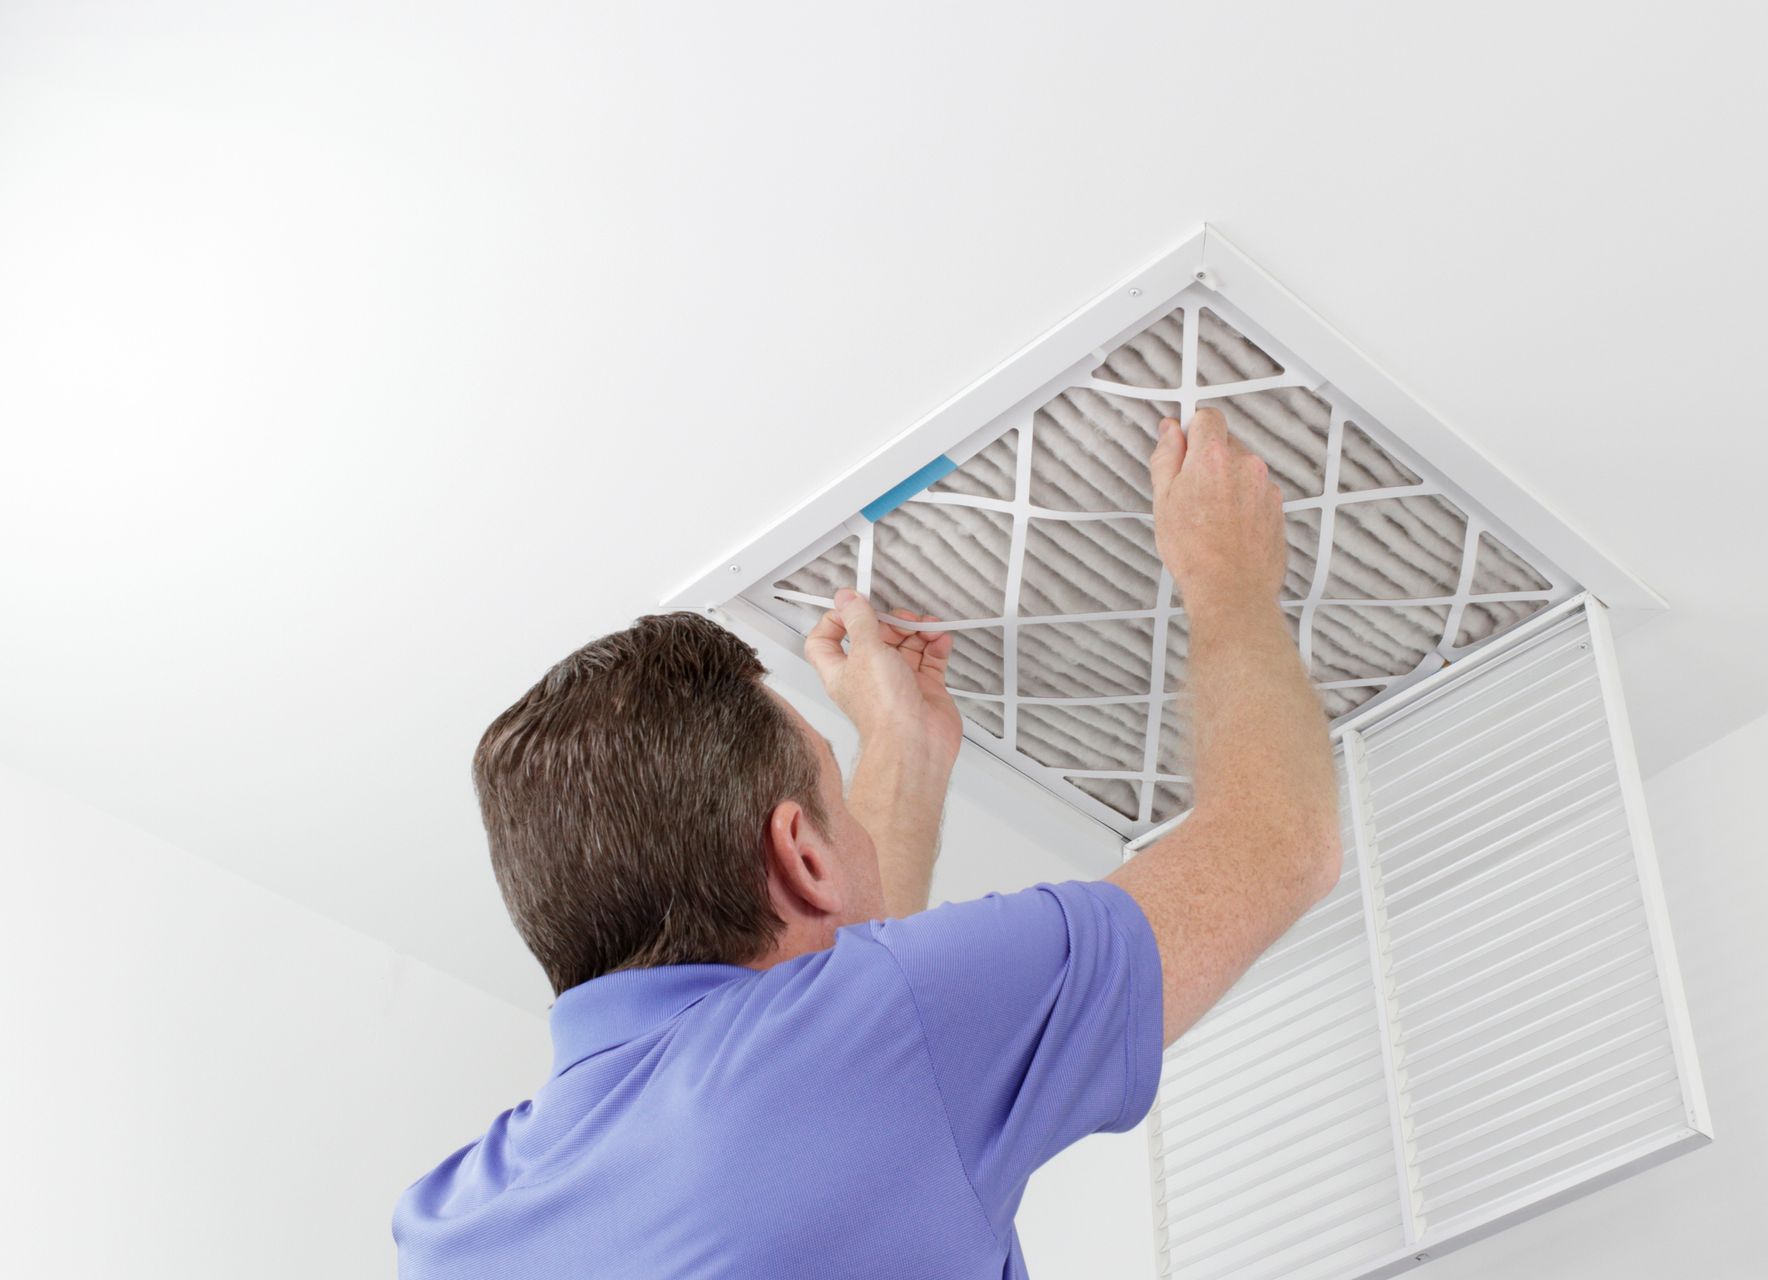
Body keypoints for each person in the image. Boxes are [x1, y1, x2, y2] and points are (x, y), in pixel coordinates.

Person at [391, 407, 1343, 1278]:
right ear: (802, 856)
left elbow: (838, 1042)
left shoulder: (447, 1230)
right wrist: (1229, 579)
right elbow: (1280, 839)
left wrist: (901, 749)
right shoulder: (873, 1036)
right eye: (834, 797)